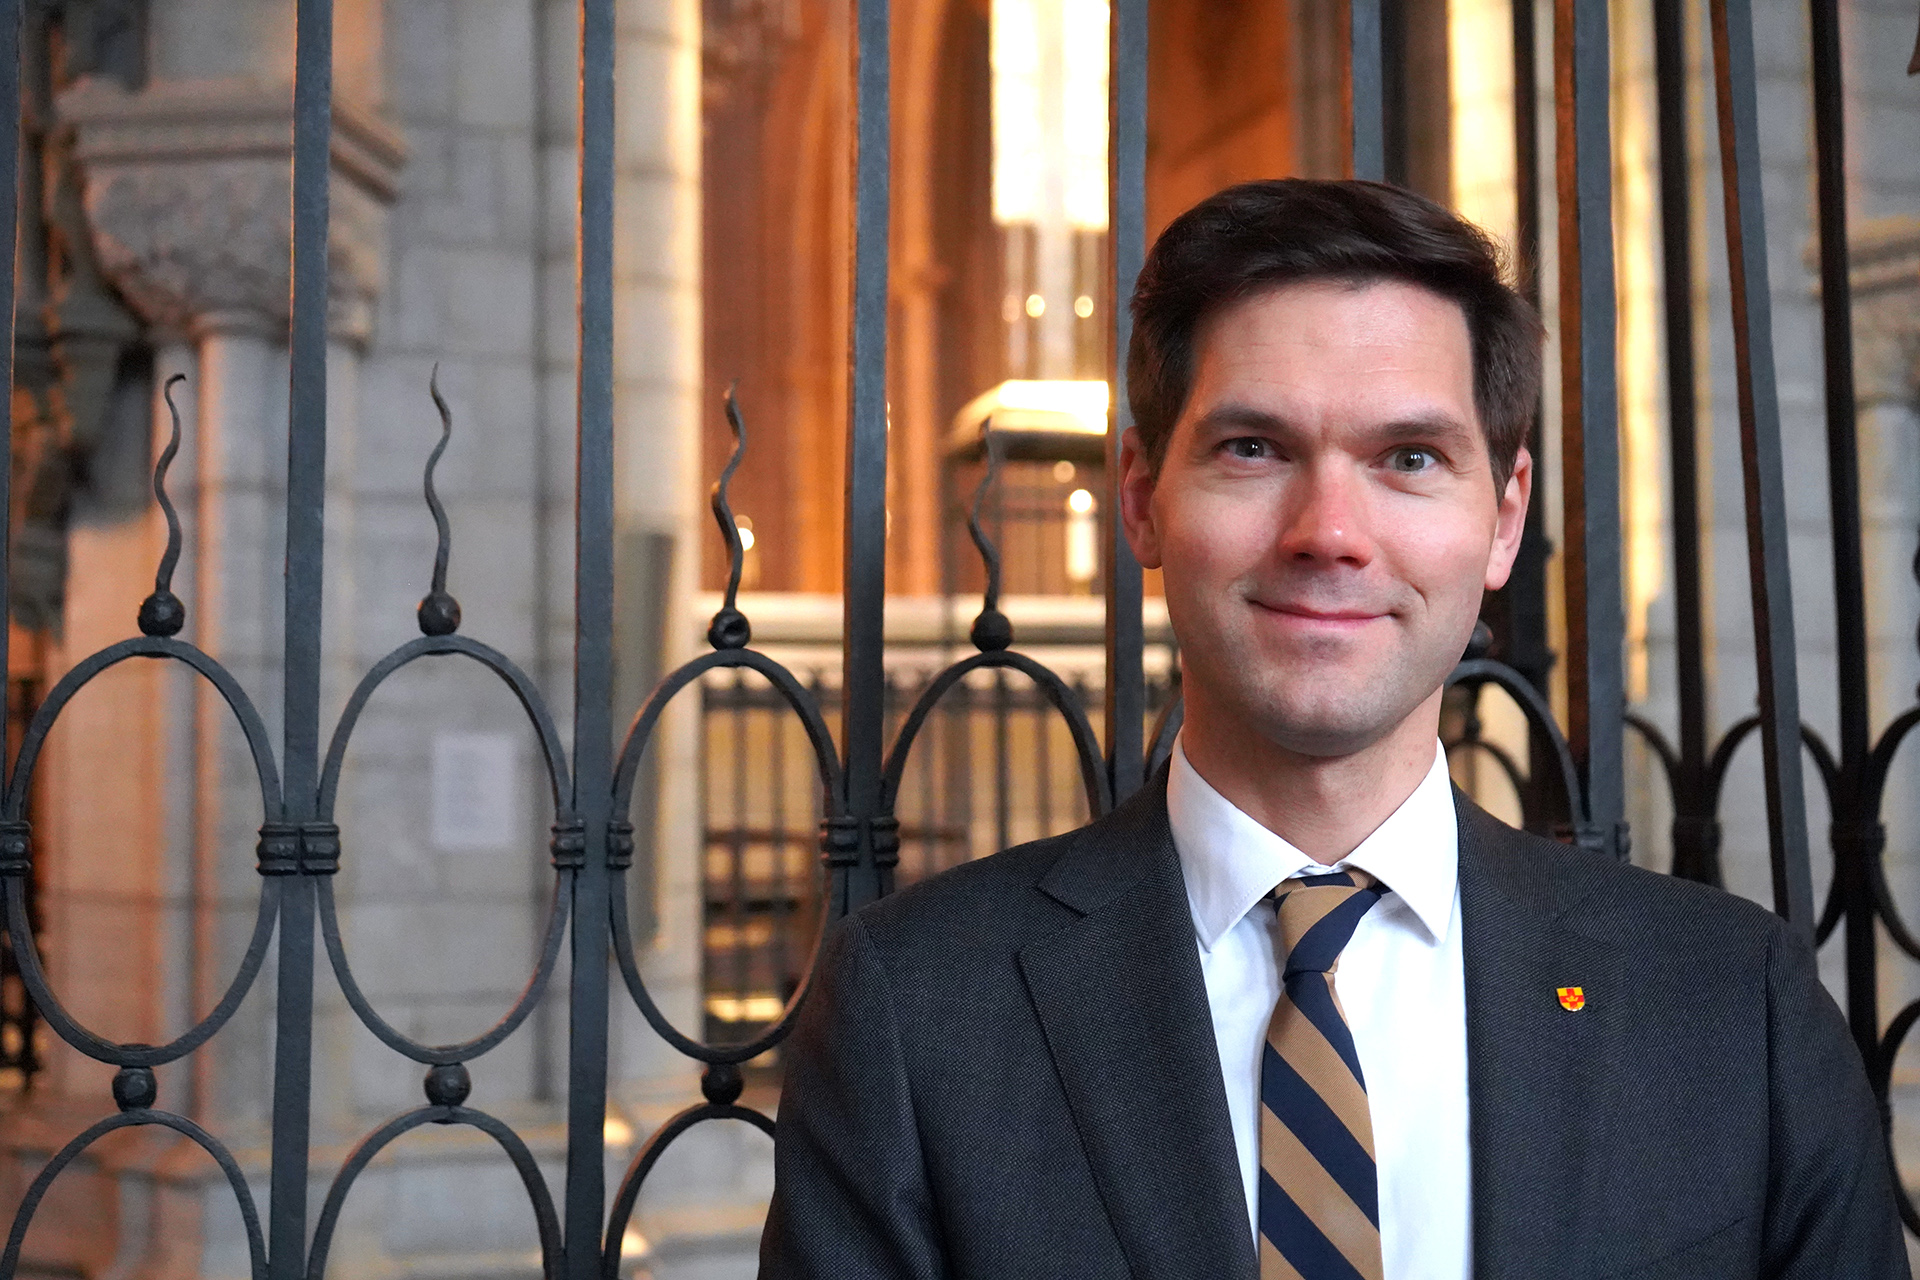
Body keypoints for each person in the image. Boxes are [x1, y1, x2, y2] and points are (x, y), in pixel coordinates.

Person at [757, 179, 1910, 1280]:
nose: (1331, 533)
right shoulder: (919, 1011)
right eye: (1253, 448)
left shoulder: (1729, 1004)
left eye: (1409, 458)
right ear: (1143, 496)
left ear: (1503, 519)